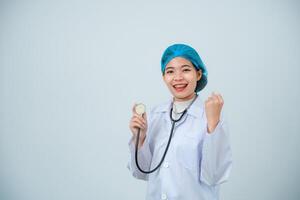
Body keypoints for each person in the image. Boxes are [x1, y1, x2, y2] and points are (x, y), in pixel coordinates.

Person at [127, 43, 232, 200]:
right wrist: (139, 138)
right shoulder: (155, 114)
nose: (178, 78)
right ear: (164, 77)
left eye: (186, 70)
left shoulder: (210, 116)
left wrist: (213, 125)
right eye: (170, 71)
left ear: (198, 74)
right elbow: (142, 172)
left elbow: (214, 176)